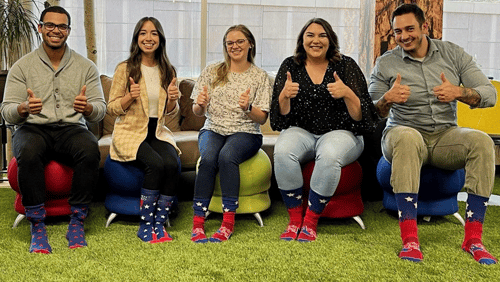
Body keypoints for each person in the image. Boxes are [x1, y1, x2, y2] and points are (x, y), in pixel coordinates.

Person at [369, 3, 497, 264]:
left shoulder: (453, 54)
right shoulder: (386, 63)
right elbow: (370, 111)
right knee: (407, 137)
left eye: (409, 29)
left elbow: (489, 94)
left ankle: (473, 239)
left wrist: (459, 92)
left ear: (425, 27)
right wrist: (387, 99)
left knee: (482, 142)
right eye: (397, 32)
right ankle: (410, 240)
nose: (403, 36)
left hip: (443, 137)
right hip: (401, 133)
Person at [0, 6, 106, 254]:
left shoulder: (86, 67)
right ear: (40, 28)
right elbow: (6, 111)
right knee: (27, 151)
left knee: (90, 148)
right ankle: (37, 224)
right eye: (50, 25)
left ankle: (77, 220)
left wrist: (88, 108)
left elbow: (100, 109)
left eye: (62, 26)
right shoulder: (22, 67)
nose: (56, 30)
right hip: (33, 128)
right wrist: (23, 108)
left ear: (68, 31)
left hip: (71, 128)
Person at [270, 18, 378, 242]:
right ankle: (294, 219)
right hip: (302, 131)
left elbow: (362, 117)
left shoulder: (346, 65)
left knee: (328, 155)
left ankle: (310, 221)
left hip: (342, 132)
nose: (316, 40)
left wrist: (347, 93)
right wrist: (284, 95)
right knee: (282, 151)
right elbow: (280, 118)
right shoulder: (290, 65)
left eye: (322, 35)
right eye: (310, 35)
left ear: (331, 40)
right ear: (302, 40)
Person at [190, 24, 272, 243]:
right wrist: (200, 104)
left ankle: (227, 222)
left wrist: (247, 107)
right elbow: (197, 112)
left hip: (246, 132)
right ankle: (198, 222)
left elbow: (262, 118)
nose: (234, 46)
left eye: (240, 41)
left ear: (250, 44)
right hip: (213, 128)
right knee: (208, 159)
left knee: (227, 157)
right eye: (230, 43)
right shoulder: (212, 71)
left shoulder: (260, 76)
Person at [107, 17, 181, 243]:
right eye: (143, 33)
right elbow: (112, 108)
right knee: (156, 164)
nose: (148, 38)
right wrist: (129, 97)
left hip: (156, 130)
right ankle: (145, 225)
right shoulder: (125, 68)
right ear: (136, 38)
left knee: (171, 163)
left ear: (160, 39)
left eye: (154, 33)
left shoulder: (168, 69)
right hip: (130, 131)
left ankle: (160, 223)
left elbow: (170, 113)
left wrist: (172, 100)